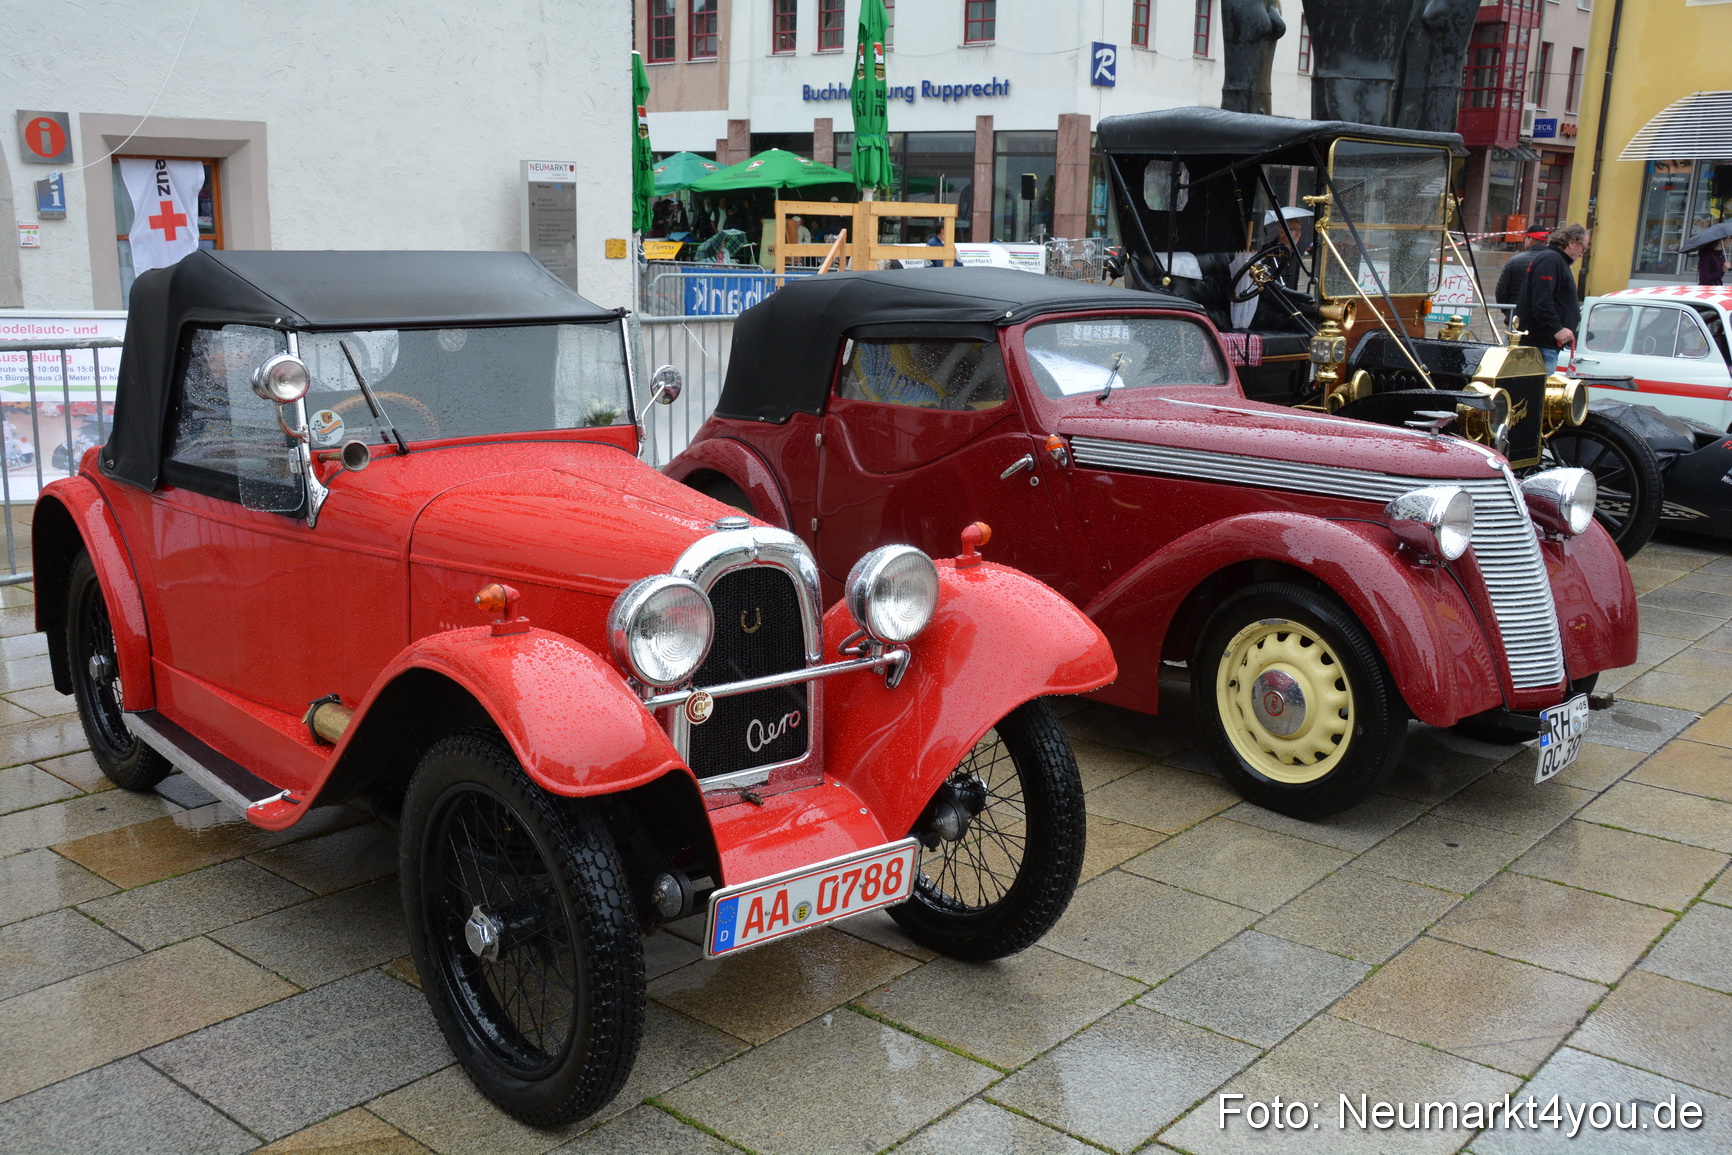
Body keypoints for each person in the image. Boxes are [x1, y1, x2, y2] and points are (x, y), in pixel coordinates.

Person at [1514, 223, 1590, 372]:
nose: (1582, 254)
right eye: (1583, 248)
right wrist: (1557, 328)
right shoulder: (1551, 260)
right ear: (1572, 242)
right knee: (1541, 384)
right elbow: (1542, 300)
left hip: (1545, 342)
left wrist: (1577, 314)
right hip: (1541, 343)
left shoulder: (1554, 260)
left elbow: (1554, 299)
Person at [1493, 229, 1550, 307]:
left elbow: (1501, 291)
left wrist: (1507, 310)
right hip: (1544, 312)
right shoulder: (1555, 261)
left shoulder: (1514, 261)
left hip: (1516, 311)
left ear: (1530, 240)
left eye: (1525, 238)